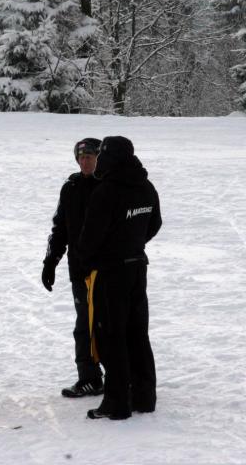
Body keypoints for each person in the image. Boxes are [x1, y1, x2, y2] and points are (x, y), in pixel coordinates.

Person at [77, 136, 162, 420]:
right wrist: (134, 241)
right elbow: (155, 223)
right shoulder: (146, 186)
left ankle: (117, 403)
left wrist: (86, 262)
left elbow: (91, 237)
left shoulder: (107, 191)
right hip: (138, 267)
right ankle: (144, 397)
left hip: (111, 272)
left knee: (112, 336)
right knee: (138, 333)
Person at [42, 138, 104, 398]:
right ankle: (88, 377)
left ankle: (122, 374)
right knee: (84, 326)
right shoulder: (70, 188)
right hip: (79, 270)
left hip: (107, 269)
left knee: (109, 323)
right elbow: (60, 229)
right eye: (81, 157)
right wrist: (50, 262)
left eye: (90, 156)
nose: (85, 161)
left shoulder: (109, 186)